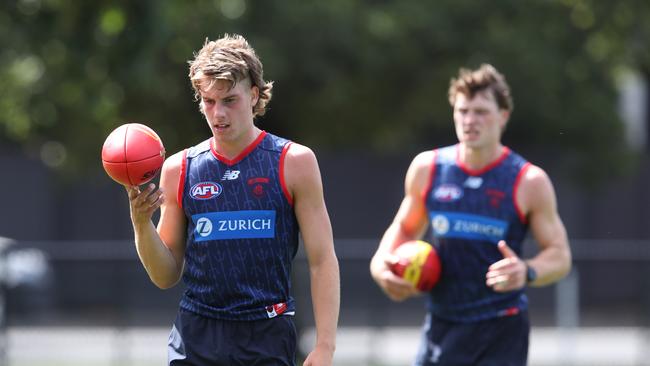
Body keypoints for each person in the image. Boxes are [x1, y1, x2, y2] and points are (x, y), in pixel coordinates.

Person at [126, 34, 339, 366]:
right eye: (208, 101)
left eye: (229, 100)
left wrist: (325, 345)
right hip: (196, 334)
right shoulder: (180, 168)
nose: (217, 113)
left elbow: (322, 259)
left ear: (253, 95)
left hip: (266, 332)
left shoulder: (294, 162)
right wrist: (141, 225)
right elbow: (166, 275)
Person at [370, 64, 572, 366]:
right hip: (442, 325)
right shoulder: (428, 169)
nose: (470, 120)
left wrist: (527, 271)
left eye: (481, 111)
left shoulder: (528, 181)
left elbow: (560, 256)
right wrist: (382, 269)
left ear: (503, 116)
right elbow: (404, 229)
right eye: (463, 111)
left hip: (501, 330)